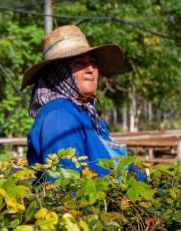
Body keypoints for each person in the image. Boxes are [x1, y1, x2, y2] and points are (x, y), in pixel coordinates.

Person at [22, 25, 126, 177]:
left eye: (93, 62)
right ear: (59, 73)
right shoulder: (59, 115)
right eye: (80, 63)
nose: (91, 69)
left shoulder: (86, 113)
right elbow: (67, 187)